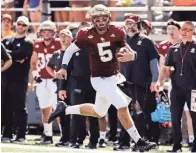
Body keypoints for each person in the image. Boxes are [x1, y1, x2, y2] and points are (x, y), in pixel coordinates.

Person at [48, 4, 156, 152]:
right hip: (99, 78)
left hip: (114, 77)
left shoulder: (117, 31)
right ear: (92, 20)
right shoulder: (85, 33)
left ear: (108, 18)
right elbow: (70, 50)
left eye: (103, 18)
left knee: (99, 112)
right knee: (122, 105)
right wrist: (63, 67)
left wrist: (133, 55)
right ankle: (138, 141)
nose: (100, 21)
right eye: (97, 18)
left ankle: (65, 109)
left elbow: (127, 49)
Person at [115, 13, 160, 150]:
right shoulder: (120, 41)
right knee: (122, 112)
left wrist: (154, 80)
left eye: (133, 23)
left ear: (138, 25)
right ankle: (123, 143)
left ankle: (139, 142)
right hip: (122, 82)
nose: (130, 26)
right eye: (128, 23)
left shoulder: (146, 41)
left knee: (139, 113)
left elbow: (154, 63)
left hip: (140, 83)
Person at [155, 21, 196, 152]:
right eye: (183, 29)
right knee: (174, 116)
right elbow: (166, 68)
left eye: (188, 29)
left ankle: (195, 145)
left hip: (193, 89)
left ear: (193, 32)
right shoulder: (173, 49)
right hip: (177, 88)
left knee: (194, 117)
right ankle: (176, 146)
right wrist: (159, 82)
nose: (184, 31)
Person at [1, 16, 33, 143]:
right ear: (16, 25)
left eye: (24, 25)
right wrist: (13, 57)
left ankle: (21, 135)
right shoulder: (6, 40)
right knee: (5, 106)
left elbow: (21, 55)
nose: (21, 26)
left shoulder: (28, 42)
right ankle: (6, 134)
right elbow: (14, 56)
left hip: (20, 78)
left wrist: (7, 55)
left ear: (27, 27)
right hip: (5, 77)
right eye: (19, 24)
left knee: (19, 107)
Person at [30, 20, 61, 144]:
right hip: (42, 80)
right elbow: (33, 63)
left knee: (58, 108)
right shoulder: (37, 44)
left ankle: (65, 135)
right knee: (44, 108)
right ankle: (48, 135)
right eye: (44, 31)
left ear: (54, 32)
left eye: (49, 31)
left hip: (55, 80)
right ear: (40, 32)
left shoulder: (59, 43)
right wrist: (34, 75)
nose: (46, 33)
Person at [46, 29, 73, 147]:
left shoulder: (74, 52)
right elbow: (49, 66)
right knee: (62, 113)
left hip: (73, 86)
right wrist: (55, 75)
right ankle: (65, 138)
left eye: (66, 36)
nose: (63, 38)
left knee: (75, 113)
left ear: (71, 38)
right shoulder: (57, 54)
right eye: (61, 36)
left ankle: (76, 137)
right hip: (60, 86)